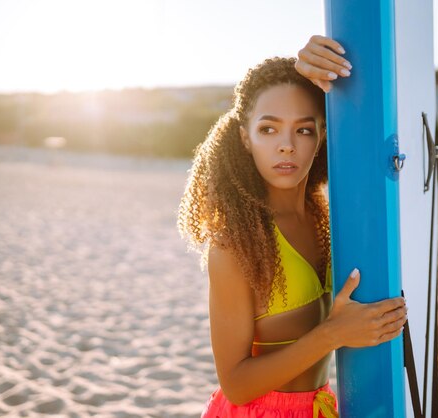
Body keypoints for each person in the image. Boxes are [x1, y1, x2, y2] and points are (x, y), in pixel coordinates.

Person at [177, 35, 408, 418]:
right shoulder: (234, 246)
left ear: (321, 137)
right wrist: (332, 334)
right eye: (268, 129)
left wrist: (326, 67)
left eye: (304, 129)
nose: (287, 145)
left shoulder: (331, 220)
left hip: (322, 407)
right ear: (244, 139)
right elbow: (235, 384)